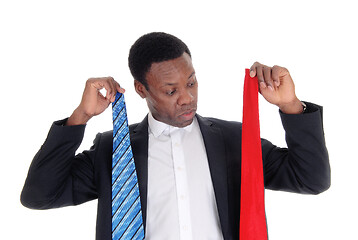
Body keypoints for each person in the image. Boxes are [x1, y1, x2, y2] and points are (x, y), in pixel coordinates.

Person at [21, 32, 331, 240]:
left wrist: (291, 105)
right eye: (171, 90)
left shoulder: (234, 140)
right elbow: (39, 196)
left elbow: (311, 180)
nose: (187, 98)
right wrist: (81, 116)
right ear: (142, 89)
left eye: (192, 84)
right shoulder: (115, 151)